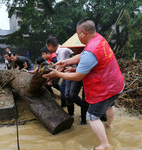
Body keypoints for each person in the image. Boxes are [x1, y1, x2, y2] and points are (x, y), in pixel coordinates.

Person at [43, 19, 125, 150]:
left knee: (92, 116)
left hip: (106, 89)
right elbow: (83, 56)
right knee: (110, 105)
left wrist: (57, 74)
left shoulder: (90, 51)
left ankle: (104, 145)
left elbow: (78, 76)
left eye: (77, 33)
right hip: (117, 84)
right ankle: (110, 125)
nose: (77, 37)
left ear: (83, 33)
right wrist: (66, 62)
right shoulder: (99, 39)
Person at [46, 37, 74, 107]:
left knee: (65, 90)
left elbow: (60, 68)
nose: (48, 49)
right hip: (69, 71)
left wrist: (50, 79)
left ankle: (65, 106)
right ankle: (65, 106)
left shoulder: (62, 51)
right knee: (64, 90)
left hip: (73, 71)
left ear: (50, 46)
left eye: (47, 47)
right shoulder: (59, 51)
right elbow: (59, 67)